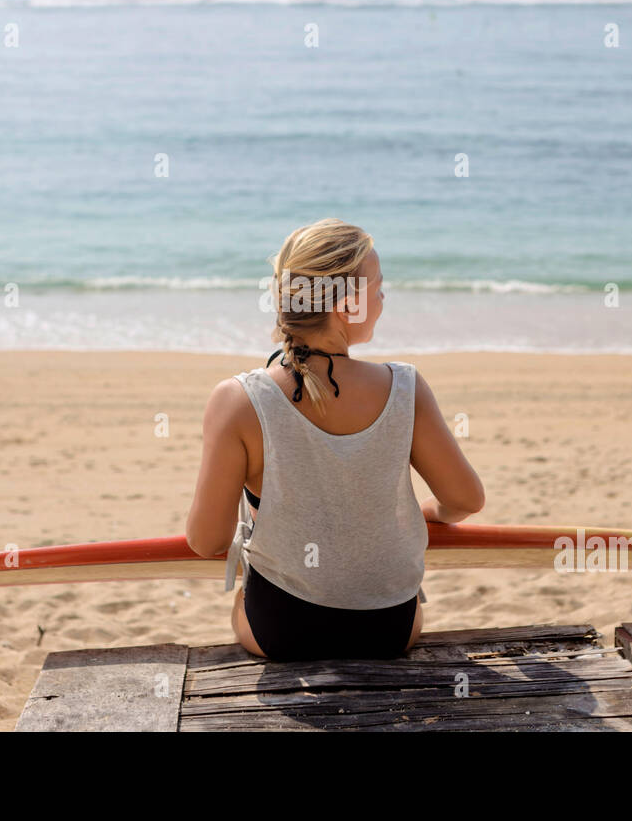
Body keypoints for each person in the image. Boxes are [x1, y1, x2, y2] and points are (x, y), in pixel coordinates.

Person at [185, 219, 484, 660]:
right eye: (379, 289)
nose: (384, 300)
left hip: (280, 632)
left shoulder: (238, 400)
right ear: (348, 307)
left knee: (245, 591)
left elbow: (205, 540)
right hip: (389, 631)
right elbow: (465, 500)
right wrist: (425, 513)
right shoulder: (405, 388)